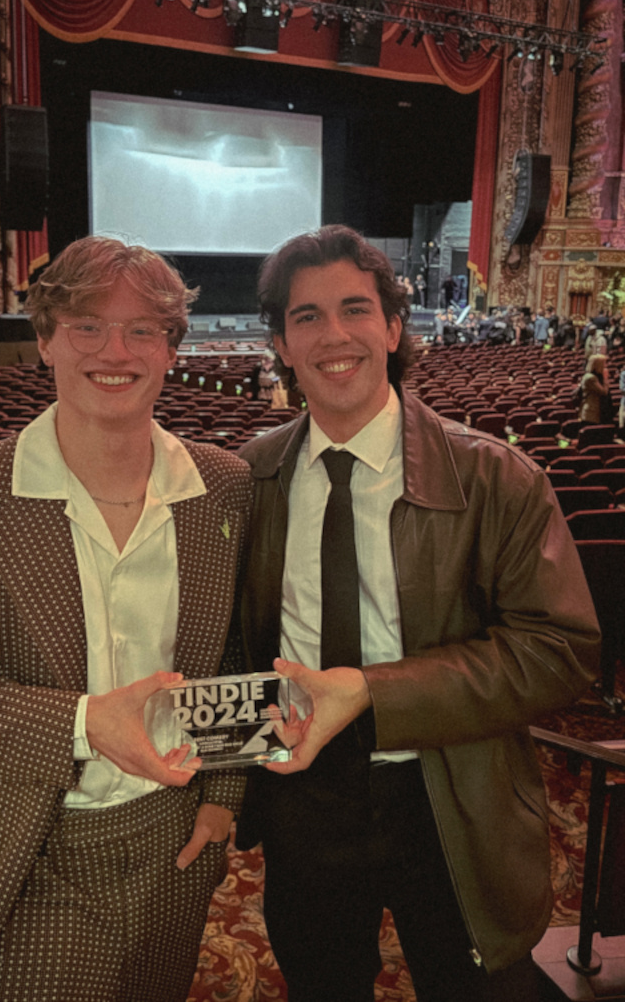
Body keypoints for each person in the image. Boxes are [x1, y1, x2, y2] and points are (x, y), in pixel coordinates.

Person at [0, 236, 253, 1002]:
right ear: (44, 340)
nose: (117, 350)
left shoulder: (223, 487)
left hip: (174, 838)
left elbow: (230, 647)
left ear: (172, 349)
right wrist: (83, 722)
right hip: (31, 844)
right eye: (87, 326)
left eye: (144, 329)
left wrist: (221, 796)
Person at [236, 225, 599, 1002]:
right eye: (307, 317)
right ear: (281, 343)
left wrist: (373, 692)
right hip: (305, 796)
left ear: (395, 327)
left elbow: (560, 649)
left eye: (355, 309)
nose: (334, 335)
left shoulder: (497, 476)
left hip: (454, 791)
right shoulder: (249, 476)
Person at [580, 352, 612, 423]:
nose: (606, 366)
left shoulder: (597, 376)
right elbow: (604, 392)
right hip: (592, 412)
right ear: (598, 365)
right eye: (604, 363)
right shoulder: (590, 378)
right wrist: (605, 378)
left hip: (599, 411)